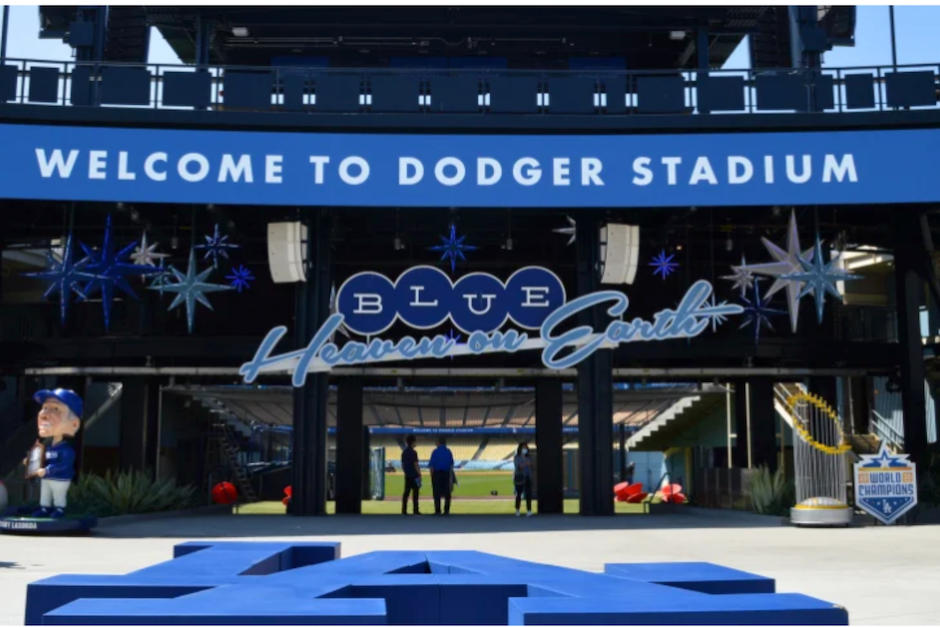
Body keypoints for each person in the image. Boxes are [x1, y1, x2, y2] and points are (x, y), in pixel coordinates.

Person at [30, 388, 82, 518]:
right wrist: (32, 462)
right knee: (45, 494)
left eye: (56, 409)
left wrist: (47, 470)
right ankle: (44, 508)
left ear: (74, 424)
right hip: (47, 478)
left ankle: (59, 509)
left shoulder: (66, 450)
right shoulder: (49, 447)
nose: (43, 414)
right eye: (44, 408)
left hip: (60, 479)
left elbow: (64, 465)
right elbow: (44, 459)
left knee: (58, 496)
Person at [428, 436, 454, 515]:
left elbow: (432, 466)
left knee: (436, 493)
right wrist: (451, 477)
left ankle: (437, 510)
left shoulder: (435, 452)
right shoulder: (448, 451)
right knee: (447, 493)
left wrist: (432, 477)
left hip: (437, 474)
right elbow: (451, 465)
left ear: (438, 442)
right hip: (446, 474)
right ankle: (446, 510)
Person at [400, 434, 422, 515]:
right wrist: (419, 474)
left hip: (407, 476)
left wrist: (406, 472)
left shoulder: (404, 452)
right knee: (415, 494)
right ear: (413, 442)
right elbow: (415, 464)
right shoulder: (414, 452)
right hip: (414, 476)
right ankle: (415, 510)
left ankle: (404, 510)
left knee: (406, 493)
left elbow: (402, 465)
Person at [513, 442, 534, 517]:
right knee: (519, 494)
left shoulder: (529, 457)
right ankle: (517, 510)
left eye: (526, 448)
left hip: (528, 477)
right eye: (523, 448)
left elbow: (531, 464)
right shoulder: (517, 457)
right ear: (520, 448)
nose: (524, 449)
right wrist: (526, 463)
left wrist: (525, 463)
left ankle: (529, 510)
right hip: (520, 477)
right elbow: (519, 466)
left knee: (528, 495)